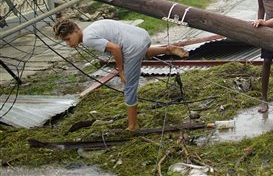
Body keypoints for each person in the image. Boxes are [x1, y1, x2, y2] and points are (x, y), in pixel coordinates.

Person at [53, 19, 188, 131]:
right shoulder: (92, 28)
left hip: (133, 46)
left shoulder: (88, 38)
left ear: (76, 31)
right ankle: (168, 49)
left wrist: (120, 70)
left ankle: (133, 126)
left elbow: (116, 48)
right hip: (142, 36)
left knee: (129, 86)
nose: (69, 44)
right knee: (141, 53)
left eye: (68, 39)